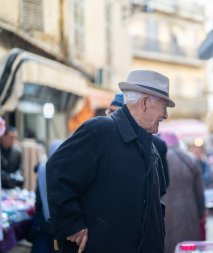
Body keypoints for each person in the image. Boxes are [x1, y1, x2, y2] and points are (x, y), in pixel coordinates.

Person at [46, 70, 175, 253]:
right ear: (144, 102)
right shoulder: (100, 130)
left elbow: (156, 199)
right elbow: (57, 170)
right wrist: (72, 225)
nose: (166, 115)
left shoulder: (150, 146)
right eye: (163, 106)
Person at [106, 93, 170, 188]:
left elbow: (161, 185)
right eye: (111, 111)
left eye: (117, 112)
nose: (112, 116)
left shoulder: (156, 144)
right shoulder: (101, 133)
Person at [160, 132, 205, 253]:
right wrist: (201, 213)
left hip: (164, 216)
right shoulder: (191, 159)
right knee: (189, 248)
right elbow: (199, 192)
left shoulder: (156, 158)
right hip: (189, 213)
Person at [30, 140, 63, 253]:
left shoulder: (42, 168)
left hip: (44, 223)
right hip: (61, 222)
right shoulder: (66, 169)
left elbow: (38, 200)